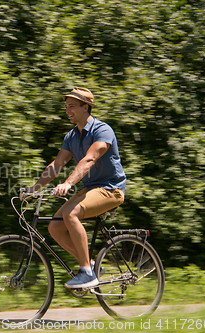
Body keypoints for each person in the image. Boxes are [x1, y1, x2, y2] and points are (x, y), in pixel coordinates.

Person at [25, 87, 126, 289]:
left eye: (71, 106)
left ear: (85, 107)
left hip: (110, 189)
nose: (67, 110)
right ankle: (89, 264)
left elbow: (90, 159)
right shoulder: (71, 136)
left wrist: (68, 183)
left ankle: (87, 273)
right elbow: (56, 165)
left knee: (70, 214)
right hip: (89, 190)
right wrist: (33, 188)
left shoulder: (102, 130)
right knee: (54, 226)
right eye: (66, 107)